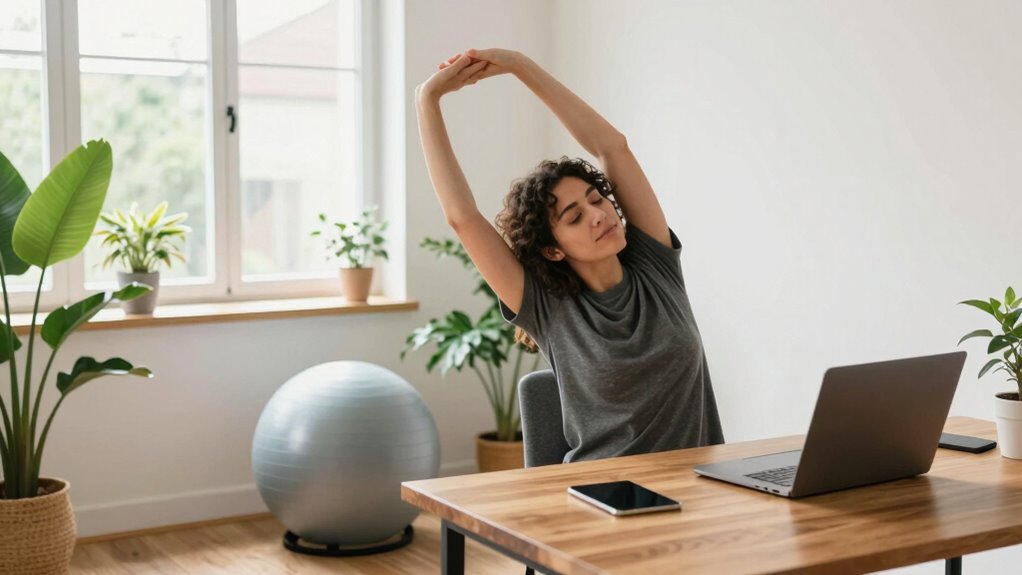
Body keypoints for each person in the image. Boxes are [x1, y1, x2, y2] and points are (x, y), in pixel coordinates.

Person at [415, 48, 724, 463]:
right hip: (605, 498)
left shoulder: (656, 266)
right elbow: (463, 217)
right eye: (575, 216)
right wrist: (427, 100)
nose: (599, 215)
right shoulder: (548, 307)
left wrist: (519, 66)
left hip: (702, 491)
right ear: (552, 248)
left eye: (597, 199)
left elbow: (612, 148)